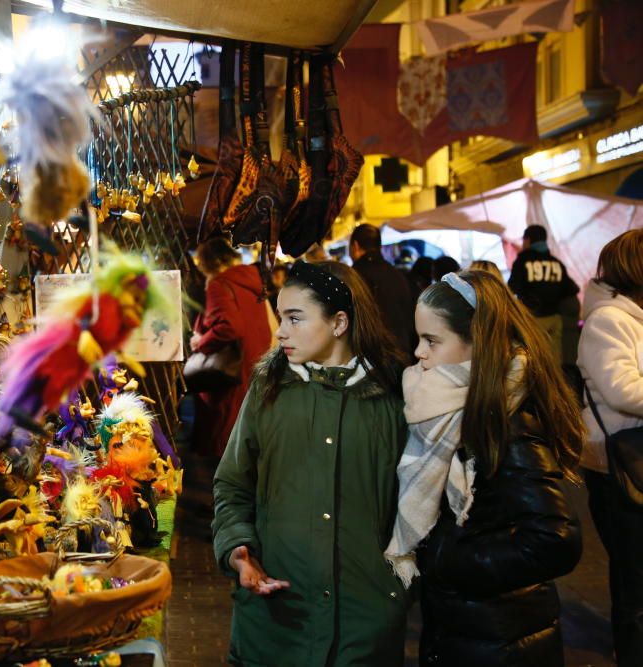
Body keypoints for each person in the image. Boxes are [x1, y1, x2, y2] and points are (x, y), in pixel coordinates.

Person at [212, 261, 410, 666]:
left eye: (295, 318)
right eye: (280, 316)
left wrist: (394, 591)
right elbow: (232, 484)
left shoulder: (393, 397)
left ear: (339, 322)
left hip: (364, 625)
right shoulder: (268, 390)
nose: (280, 330)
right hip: (277, 619)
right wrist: (238, 550)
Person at [386, 270, 584, 667]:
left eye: (431, 341)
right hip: (471, 632)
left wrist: (446, 561)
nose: (419, 353)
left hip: (502, 639)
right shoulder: (457, 408)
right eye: (419, 339)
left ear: (478, 340)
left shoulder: (505, 420)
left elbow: (555, 539)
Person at [577, 229, 643, 667]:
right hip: (620, 462)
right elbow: (621, 389)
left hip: (634, 455)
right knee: (633, 574)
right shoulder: (610, 320)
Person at [189, 237, 273, 457]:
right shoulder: (250, 280)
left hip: (229, 369)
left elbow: (229, 326)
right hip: (253, 359)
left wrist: (201, 341)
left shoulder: (219, 284)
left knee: (224, 432)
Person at [508, 224, 579, 363]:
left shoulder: (523, 261)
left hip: (532, 320)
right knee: (554, 364)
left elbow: (512, 287)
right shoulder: (556, 263)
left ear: (528, 240)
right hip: (554, 320)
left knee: (534, 363)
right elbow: (571, 289)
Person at [349, 224, 415, 357]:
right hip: (401, 354)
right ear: (379, 247)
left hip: (370, 358)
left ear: (355, 246)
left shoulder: (353, 276)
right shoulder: (397, 275)